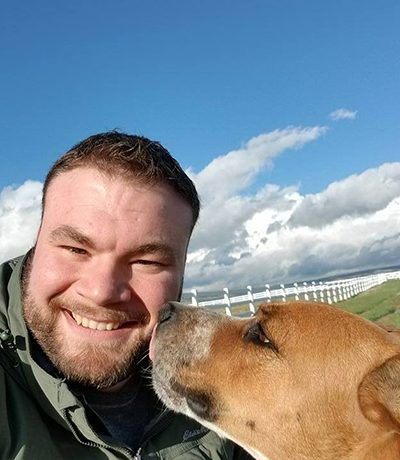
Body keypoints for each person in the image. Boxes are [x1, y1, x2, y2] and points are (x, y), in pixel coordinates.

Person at [0, 132, 250, 459]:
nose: (102, 291)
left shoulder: (224, 379)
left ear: (182, 271)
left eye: (146, 262)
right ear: (37, 241)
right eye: (75, 248)